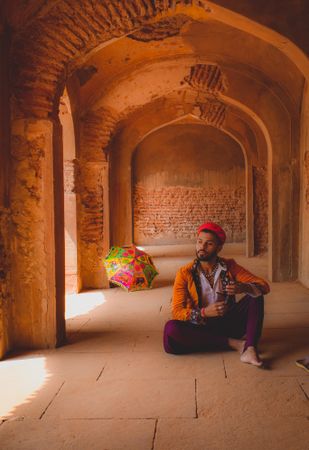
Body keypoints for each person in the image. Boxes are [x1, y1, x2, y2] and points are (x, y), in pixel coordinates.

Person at [163, 222, 270, 367]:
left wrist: (243, 287)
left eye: (209, 244)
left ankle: (250, 348)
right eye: (199, 242)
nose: (202, 247)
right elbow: (176, 311)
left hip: (228, 324)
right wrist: (204, 312)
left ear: (219, 248)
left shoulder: (230, 267)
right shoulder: (185, 273)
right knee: (171, 329)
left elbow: (263, 286)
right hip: (200, 326)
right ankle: (235, 344)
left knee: (256, 295)